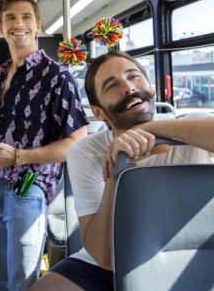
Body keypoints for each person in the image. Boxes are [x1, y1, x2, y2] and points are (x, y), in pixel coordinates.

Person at [31, 50, 214, 291]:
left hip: (195, 251)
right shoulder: (87, 152)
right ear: (98, 112)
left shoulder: (193, 128)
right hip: (109, 266)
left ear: (151, 87)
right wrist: (116, 175)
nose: (128, 88)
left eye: (133, 76)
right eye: (112, 86)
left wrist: (150, 129)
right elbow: (103, 255)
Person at [0, 0, 88, 290]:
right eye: (10, 17)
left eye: (26, 17)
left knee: (22, 284)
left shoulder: (57, 76)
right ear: (1, 26)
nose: (18, 23)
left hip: (25, 193)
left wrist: (18, 157)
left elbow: (76, 140)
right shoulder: (0, 76)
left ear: (38, 25)